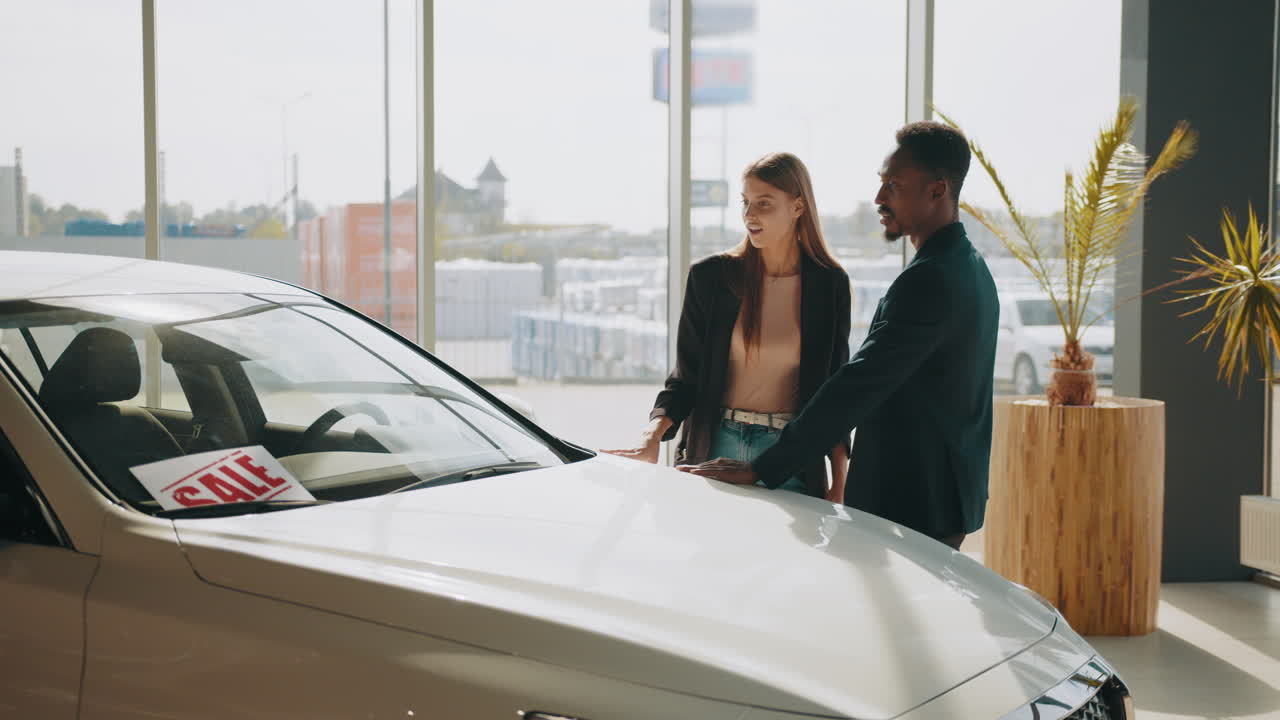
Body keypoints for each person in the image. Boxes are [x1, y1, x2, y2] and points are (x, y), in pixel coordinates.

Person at [679, 122, 999, 550]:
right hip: (940, 495)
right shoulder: (968, 266)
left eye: (894, 185)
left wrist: (764, 468)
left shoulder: (932, 280)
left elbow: (857, 384)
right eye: (881, 182)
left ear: (937, 191)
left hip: (917, 498)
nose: (880, 197)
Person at [604, 152, 851, 501]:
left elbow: (835, 392)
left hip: (788, 456)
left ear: (797, 207)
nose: (750, 215)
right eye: (745, 202)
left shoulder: (829, 285)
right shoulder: (711, 278)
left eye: (764, 203)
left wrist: (838, 483)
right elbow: (685, 378)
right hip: (714, 444)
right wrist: (651, 439)